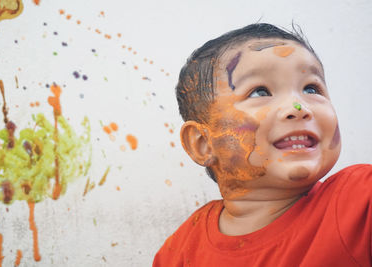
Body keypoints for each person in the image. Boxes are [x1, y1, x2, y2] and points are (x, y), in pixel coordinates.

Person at [153, 23, 372, 266]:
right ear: (203, 144)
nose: (298, 108)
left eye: (311, 88)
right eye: (260, 92)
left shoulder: (359, 203)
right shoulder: (181, 250)